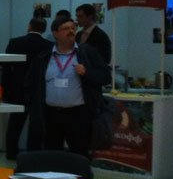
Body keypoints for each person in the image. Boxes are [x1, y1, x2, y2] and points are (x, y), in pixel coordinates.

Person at [24, 16, 110, 157]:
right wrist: (33, 106)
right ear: (55, 33)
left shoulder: (87, 53)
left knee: (80, 155)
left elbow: (106, 76)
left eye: (72, 28)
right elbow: (30, 84)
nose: (71, 31)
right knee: (52, 156)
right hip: (50, 115)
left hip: (79, 115)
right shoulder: (43, 57)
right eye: (65, 29)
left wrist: (87, 72)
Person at [1, 17, 53, 159]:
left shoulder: (15, 42)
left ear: (29, 26)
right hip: (38, 89)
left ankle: (11, 152)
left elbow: (6, 68)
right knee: (36, 124)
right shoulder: (49, 45)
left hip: (17, 88)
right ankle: (33, 154)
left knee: (15, 123)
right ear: (44, 29)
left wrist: (5, 89)